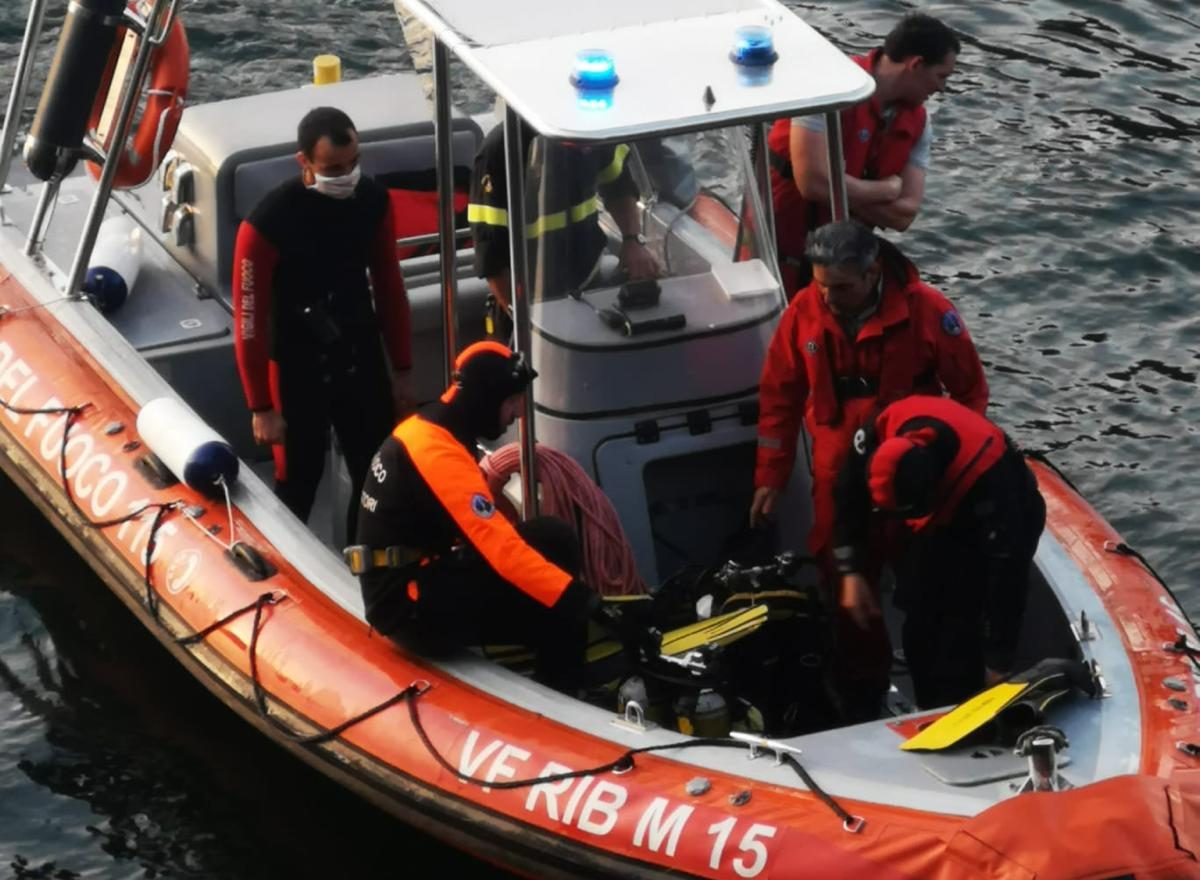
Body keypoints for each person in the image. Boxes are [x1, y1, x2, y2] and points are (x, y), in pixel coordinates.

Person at [750, 219, 987, 719]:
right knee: (842, 578)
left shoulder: (929, 313)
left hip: (910, 471)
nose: (829, 299)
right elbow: (780, 395)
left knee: (927, 579)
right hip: (838, 470)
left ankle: (938, 689)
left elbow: (969, 394)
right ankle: (864, 689)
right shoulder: (804, 312)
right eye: (821, 287)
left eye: (841, 287)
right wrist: (771, 474)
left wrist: (949, 466)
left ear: (873, 272)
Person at [350, 341, 601, 692]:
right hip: (408, 610)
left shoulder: (427, 429)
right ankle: (565, 695)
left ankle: (557, 667)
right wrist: (585, 602)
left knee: (549, 539)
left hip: (409, 583)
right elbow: (501, 551)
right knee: (559, 600)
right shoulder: (438, 454)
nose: (517, 413)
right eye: (512, 401)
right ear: (486, 398)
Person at [232, 106, 413, 538]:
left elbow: (389, 286)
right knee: (298, 482)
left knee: (376, 475)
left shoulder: (373, 201)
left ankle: (362, 569)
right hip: (295, 369)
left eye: (354, 163)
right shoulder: (268, 222)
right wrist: (261, 407)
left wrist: (403, 370)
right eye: (333, 168)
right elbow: (250, 320)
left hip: (358, 356)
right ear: (304, 163)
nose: (347, 174)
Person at [832, 395, 1046, 708]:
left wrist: (998, 662)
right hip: (936, 512)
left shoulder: (992, 483)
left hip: (999, 510)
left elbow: (1007, 576)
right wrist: (850, 570)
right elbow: (847, 491)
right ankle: (928, 698)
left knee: (962, 618)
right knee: (919, 614)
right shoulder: (879, 429)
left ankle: (971, 694)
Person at [768, 13, 960, 293]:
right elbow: (812, 183)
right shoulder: (827, 86)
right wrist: (884, 191)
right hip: (774, 250)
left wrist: (839, 189)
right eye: (940, 76)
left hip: (841, 272)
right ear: (916, 64)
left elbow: (904, 215)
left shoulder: (920, 123)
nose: (942, 88)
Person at [468, 120, 660, 338]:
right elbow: (491, 256)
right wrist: (525, 320)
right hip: (526, 301)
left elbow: (619, 185)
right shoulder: (499, 149)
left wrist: (632, 241)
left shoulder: (590, 129)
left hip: (588, 286)